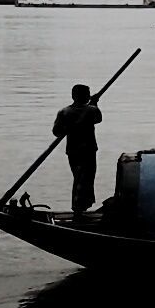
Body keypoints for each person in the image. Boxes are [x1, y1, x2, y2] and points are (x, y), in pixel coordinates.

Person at [53, 83, 102, 216]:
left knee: (79, 178)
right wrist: (95, 103)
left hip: (73, 151)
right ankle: (79, 208)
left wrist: (70, 127)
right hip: (88, 151)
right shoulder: (91, 110)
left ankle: (79, 207)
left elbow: (56, 132)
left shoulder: (64, 112)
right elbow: (98, 119)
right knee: (85, 179)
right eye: (87, 94)